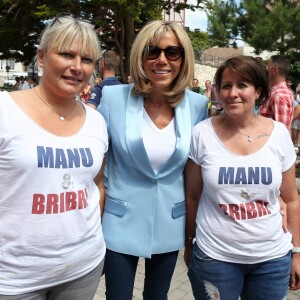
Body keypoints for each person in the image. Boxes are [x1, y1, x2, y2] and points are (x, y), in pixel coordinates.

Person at [97, 20, 208, 300]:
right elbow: (93, 162)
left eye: (172, 52)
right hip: (119, 221)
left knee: (157, 296)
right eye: (152, 51)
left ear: (183, 59)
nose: (161, 60)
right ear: (140, 56)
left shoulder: (196, 105)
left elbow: (200, 169)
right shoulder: (113, 98)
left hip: (171, 222)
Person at [0, 16, 108, 299]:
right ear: (41, 56)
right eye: (66, 54)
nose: (76, 66)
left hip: (82, 269)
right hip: (14, 278)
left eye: (86, 59)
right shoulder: (5, 111)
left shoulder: (96, 122)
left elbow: (96, 185)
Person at [184, 55, 300, 300]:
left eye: (242, 85)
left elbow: (291, 199)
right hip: (215, 258)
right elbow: (192, 196)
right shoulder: (202, 134)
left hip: (272, 260)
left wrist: (297, 252)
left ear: (258, 91)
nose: (233, 93)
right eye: (226, 86)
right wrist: (189, 242)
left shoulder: (279, 134)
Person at [259, 55, 294, 131]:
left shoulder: (279, 95)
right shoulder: (276, 92)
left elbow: (281, 132)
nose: (266, 70)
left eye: (268, 67)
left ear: (275, 70)